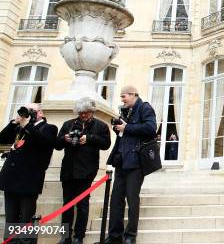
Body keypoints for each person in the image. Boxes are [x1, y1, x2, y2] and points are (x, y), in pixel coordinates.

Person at [105, 86, 157, 244]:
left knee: (132, 199)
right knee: (116, 200)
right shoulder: (126, 111)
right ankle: (114, 236)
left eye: (124, 96)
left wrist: (127, 127)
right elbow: (125, 134)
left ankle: (130, 236)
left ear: (134, 94)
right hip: (121, 161)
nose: (122, 99)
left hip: (135, 163)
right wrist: (119, 129)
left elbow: (151, 128)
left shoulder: (145, 107)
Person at [55, 97, 111, 244]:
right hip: (68, 169)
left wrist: (89, 138)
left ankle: (79, 236)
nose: (84, 115)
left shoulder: (101, 126)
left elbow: (106, 144)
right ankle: (65, 236)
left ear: (92, 111)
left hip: (87, 170)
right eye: (81, 113)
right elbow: (57, 144)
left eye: (86, 112)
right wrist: (65, 139)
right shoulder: (68, 124)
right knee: (67, 204)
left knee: (82, 204)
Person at [0, 103, 57, 244]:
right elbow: (2, 140)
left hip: (29, 180)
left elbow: (43, 142)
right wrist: (14, 123)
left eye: (31, 111)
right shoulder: (20, 126)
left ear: (40, 113)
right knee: (10, 219)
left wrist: (27, 125)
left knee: (26, 220)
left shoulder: (49, 128)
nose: (28, 114)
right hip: (11, 179)